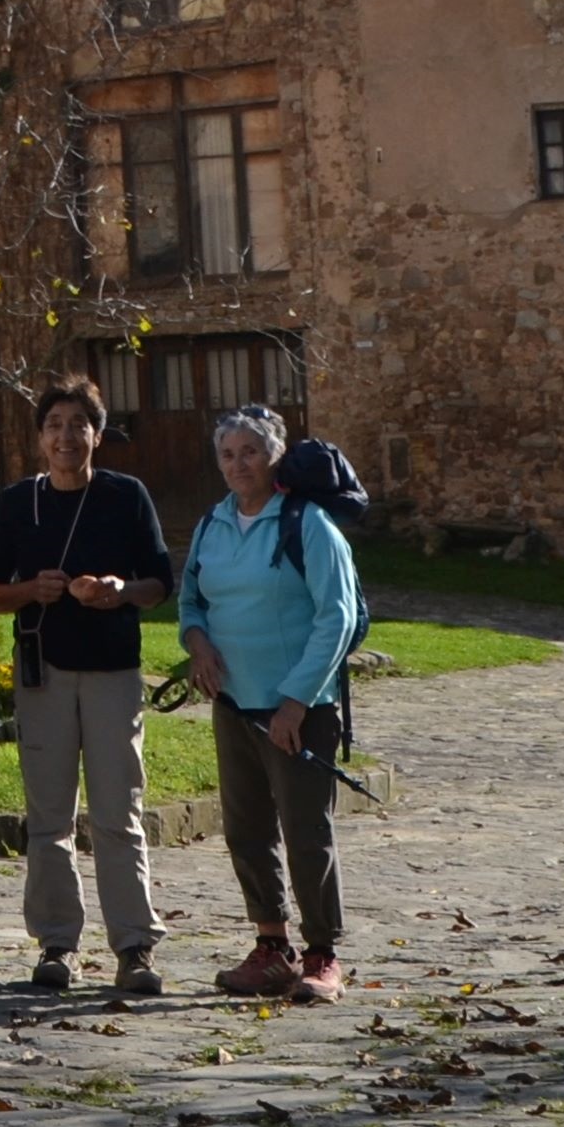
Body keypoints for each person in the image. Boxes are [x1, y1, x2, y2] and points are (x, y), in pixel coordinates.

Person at [0, 374, 174, 995]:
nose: (66, 437)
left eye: (77, 426)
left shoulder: (126, 495)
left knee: (120, 811)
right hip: (45, 674)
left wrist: (119, 592)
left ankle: (134, 945)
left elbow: (160, 582)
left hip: (114, 673)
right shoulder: (17, 503)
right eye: (54, 426)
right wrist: (32, 591)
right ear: (40, 438)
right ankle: (56, 943)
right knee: (48, 816)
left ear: (96, 434)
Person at [176, 402, 365, 1005]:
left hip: (298, 711)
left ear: (275, 456)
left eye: (250, 452)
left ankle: (322, 955)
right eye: (228, 454)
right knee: (247, 831)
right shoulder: (212, 523)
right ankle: (271, 947)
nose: (239, 464)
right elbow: (189, 603)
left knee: (306, 831)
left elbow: (335, 619)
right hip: (234, 704)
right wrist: (197, 644)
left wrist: (294, 702)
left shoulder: (308, 525)